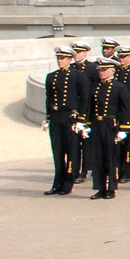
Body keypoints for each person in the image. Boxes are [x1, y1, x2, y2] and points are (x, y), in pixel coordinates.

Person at [82, 58, 130, 199]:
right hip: (98, 125)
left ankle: (111, 188)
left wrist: (124, 129)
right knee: (98, 157)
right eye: (100, 70)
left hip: (111, 126)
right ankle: (100, 187)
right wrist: (87, 125)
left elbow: (125, 109)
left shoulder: (119, 88)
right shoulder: (95, 87)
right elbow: (90, 109)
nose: (102, 73)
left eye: (105, 70)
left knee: (110, 158)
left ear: (112, 70)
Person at [43, 47, 85, 196]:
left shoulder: (77, 76)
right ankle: (57, 182)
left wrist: (81, 119)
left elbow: (84, 98)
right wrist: (48, 117)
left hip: (70, 117)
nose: (60, 61)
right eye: (58, 58)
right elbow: (49, 99)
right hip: (56, 117)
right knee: (58, 151)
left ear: (70, 59)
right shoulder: (51, 77)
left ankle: (69, 182)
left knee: (71, 151)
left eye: (63, 58)